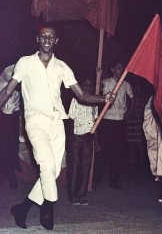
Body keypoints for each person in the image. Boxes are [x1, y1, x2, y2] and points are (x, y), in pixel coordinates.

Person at [0, 25, 114, 230]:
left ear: (56, 41)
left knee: (51, 171)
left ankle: (23, 208)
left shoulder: (62, 67)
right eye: (43, 36)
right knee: (46, 163)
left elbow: (82, 96)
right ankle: (48, 207)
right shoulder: (25, 63)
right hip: (35, 122)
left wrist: (103, 98)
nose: (47, 39)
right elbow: (8, 91)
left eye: (51, 37)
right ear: (37, 39)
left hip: (57, 123)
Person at [93, 61, 134, 189]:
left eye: (122, 68)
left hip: (120, 121)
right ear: (112, 69)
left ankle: (113, 181)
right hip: (107, 120)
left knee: (118, 152)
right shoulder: (105, 82)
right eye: (117, 68)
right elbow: (96, 90)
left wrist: (129, 112)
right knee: (102, 151)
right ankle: (96, 179)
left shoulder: (126, 84)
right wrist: (98, 75)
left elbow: (132, 98)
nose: (120, 70)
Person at [67, 77, 98, 206]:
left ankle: (81, 195)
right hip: (76, 137)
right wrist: (70, 139)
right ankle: (73, 195)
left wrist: (96, 141)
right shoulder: (75, 100)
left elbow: (95, 123)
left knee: (86, 166)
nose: (88, 86)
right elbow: (70, 120)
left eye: (90, 84)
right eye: (85, 84)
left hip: (88, 137)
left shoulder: (94, 102)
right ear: (81, 85)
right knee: (74, 166)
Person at [0, 64, 21, 189]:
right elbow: (15, 86)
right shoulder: (10, 70)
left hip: (13, 113)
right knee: (4, 144)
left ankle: (10, 170)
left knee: (13, 143)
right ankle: (7, 173)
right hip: (3, 112)